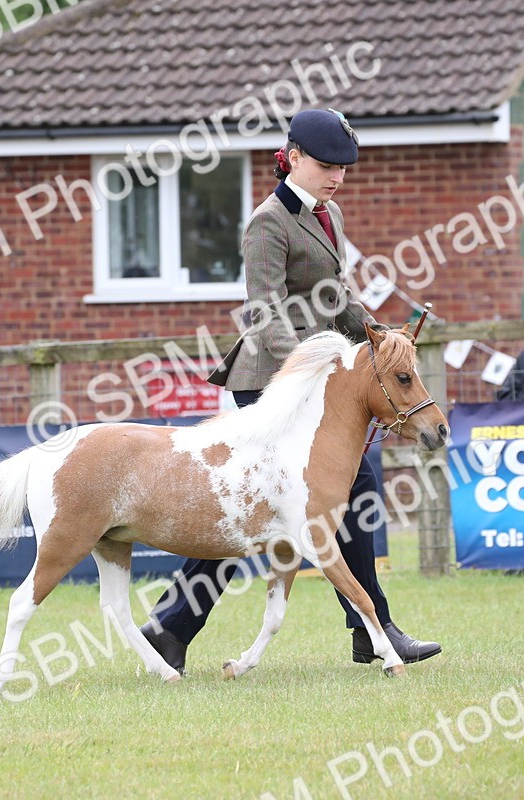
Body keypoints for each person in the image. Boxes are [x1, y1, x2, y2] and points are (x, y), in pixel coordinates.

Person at [139, 108, 440, 674]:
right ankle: (173, 628)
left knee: (350, 489)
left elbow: (336, 299)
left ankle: (367, 628)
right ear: (293, 157)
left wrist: (378, 336)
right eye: (326, 165)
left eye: (344, 168)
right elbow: (264, 311)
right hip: (271, 383)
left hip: (317, 385)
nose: (336, 177)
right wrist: (309, 369)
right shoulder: (267, 222)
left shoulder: (330, 215)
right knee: (248, 511)